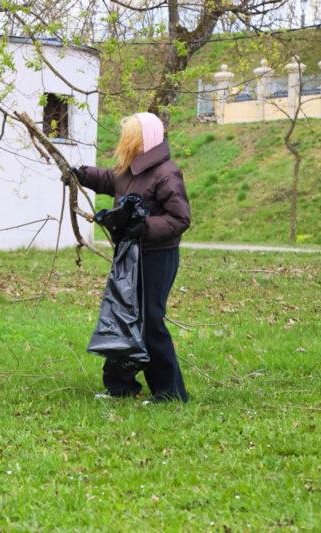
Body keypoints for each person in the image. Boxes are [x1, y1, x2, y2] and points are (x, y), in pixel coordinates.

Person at [73, 112, 191, 402]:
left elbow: (180, 218)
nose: (125, 142)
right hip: (129, 256)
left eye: (130, 137)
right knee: (123, 317)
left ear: (144, 140)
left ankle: (171, 393)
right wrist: (81, 173)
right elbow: (110, 179)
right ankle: (121, 387)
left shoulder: (166, 173)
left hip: (156, 258)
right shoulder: (131, 170)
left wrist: (145, 227)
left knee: (150, 321)